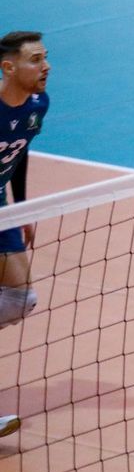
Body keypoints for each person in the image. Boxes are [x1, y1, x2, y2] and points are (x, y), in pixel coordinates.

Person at [0, 31, 49, 442]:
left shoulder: (37, 105)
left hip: (2, 208)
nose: (45, 67)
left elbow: (20, 151)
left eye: (45, 59)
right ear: (9, 67)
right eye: (35, 59)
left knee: (20, 299)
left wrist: (23, 207)